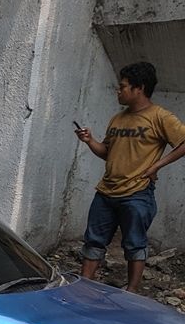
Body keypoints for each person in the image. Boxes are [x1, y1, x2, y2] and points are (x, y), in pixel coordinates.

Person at [76, 62, 185, 292]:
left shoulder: (160, 117)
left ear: (139, 88)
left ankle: (132, 291)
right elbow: (107, 153)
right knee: (94, 240)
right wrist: (89, 141)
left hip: (137, 192)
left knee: (134, 243)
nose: (118, 90)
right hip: (106, 191)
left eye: (123, 86)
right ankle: (83, 287)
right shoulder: (117, 119)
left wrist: (157, 165)